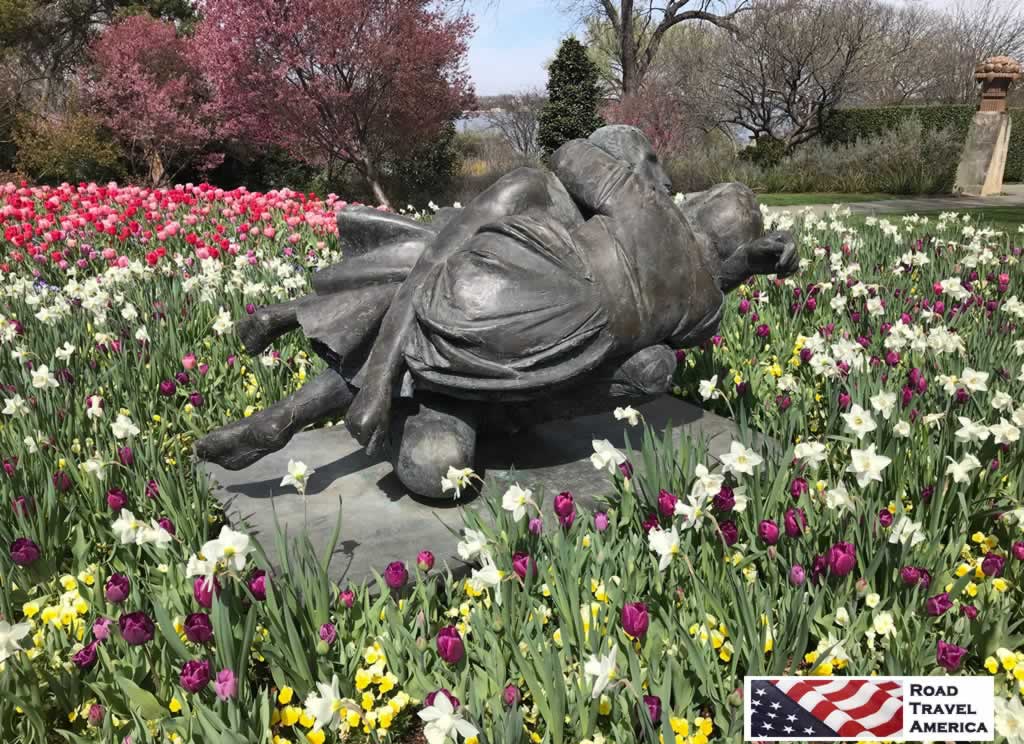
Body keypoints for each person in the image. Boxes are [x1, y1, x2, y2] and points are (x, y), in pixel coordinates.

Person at [196, 126, 796, 497]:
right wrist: (753, 265)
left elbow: (571, 154)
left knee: (428, 295)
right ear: (729, 256)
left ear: (692, 206)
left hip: (529, 272)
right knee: (648, 364)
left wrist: (637, 176)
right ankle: (359, 393)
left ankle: (329, 395)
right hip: (554, 345)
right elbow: (708, 301)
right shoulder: (702, 307)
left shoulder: (644, 202)